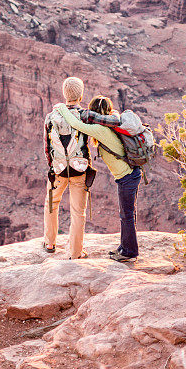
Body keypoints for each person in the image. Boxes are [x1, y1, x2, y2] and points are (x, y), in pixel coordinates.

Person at [56, 96, 141, 262]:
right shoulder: (109, 123)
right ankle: (125, 247)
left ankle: (130, 252)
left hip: (128, 177)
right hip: (127, 176)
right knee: (125, 214)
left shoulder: (100, 129)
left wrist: (62, 108)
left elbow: (76, 125)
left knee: (127, 215)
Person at [43, 77, 91, 259]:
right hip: (80, 170)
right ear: (80, 94)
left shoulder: (51, 116)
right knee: (78, 212)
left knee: (50, 204)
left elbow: (47, 146)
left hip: (58, 170)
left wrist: (52, 167)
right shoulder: (84, 115)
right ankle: (76, 252)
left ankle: (49, 243)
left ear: (64, 94)